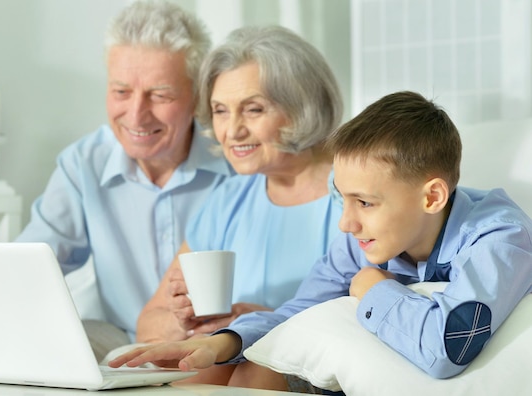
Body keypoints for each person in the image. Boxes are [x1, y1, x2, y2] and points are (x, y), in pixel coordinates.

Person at [109, 91, 532, 391]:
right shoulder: (362, 239)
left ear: (432, 196)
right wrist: (221, 342)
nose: (346, 223)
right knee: (244, 370)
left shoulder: (500, 238)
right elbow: (297, 313)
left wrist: (373, 287)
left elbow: (448, 347)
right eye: (342, 199)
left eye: (364, 202)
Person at [15, 0, 233, 360]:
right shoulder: (82, 164)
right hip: (121, 339)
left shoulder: (234, 163)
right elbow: (28, 267)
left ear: (197, 97)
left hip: (215, 341)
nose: (136, 115)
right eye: (121, 92)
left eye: (160, 95)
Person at [132, 25, 344, 387]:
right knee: (201, 371)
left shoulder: (353, 193)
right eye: (220, 111)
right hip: (230, 360)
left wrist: (262, 322)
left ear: (303, 105)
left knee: (256, 368)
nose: (232, 131)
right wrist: (187, 321)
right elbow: (148, 323)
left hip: (317, 365)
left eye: (253, 109)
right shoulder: (228, 199)